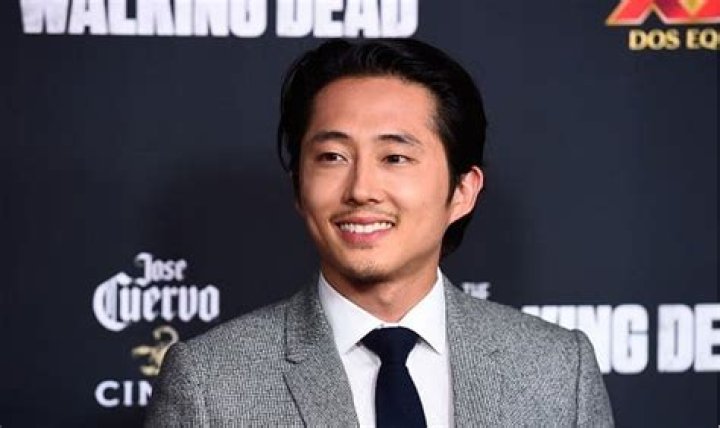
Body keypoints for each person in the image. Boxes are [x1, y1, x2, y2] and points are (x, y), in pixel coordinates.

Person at [145, 39, 613, 427]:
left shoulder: (556, 368)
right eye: (332, 157)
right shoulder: (208, 383)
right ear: (298, 187)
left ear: (462, 191)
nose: (361, 189)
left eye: (395, 158)